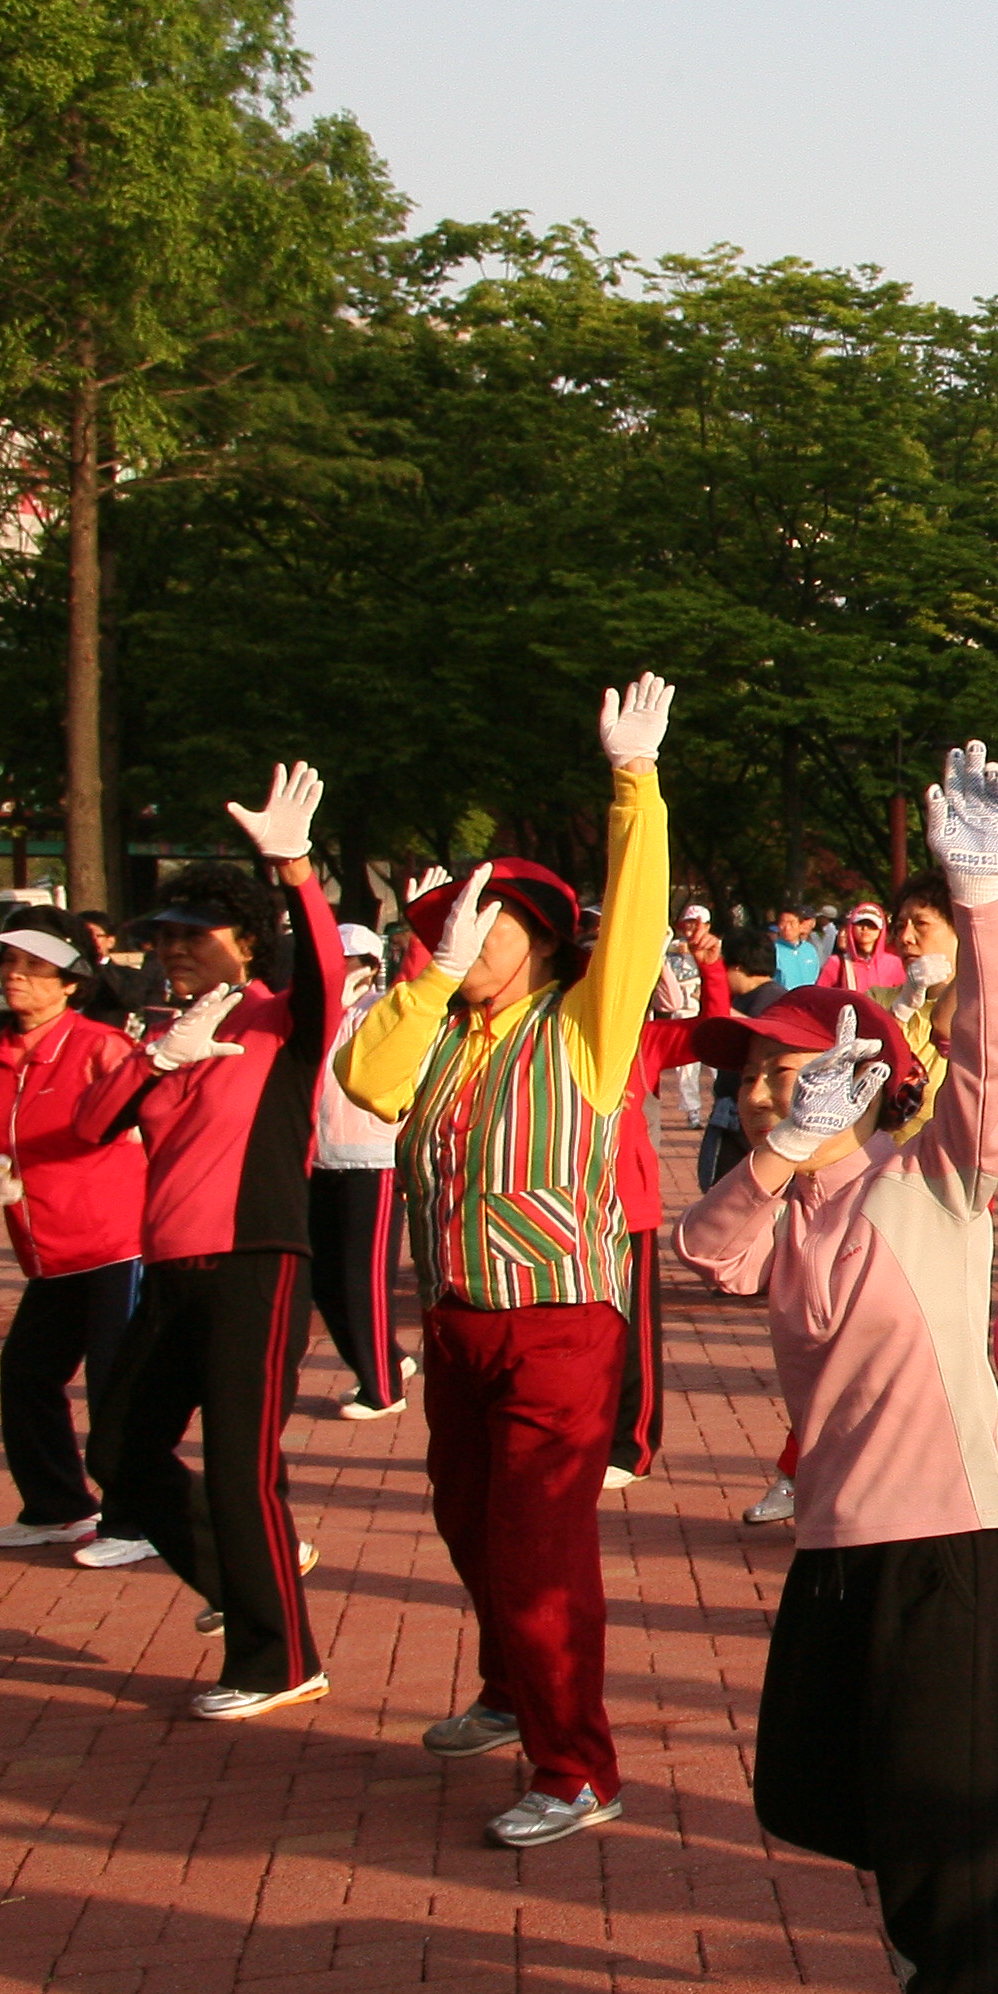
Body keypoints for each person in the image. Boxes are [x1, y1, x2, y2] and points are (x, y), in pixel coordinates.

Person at [678, 748, 998, 1994]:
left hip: (947, 1547)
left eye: (799, 1066)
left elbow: (995, 1062)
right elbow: (699, 1261)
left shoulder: (934, 1181)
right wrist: (773, 1158)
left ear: (868, 1071)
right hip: (835, 1551)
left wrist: (975, 893)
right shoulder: (771, 1209)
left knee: (925, 1834)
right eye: (760, 1070)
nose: (774, 1086)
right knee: (802, 1794)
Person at [336, 675, 678, 1849]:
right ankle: (513, 1689)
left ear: (539, 938)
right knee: (469, 1522)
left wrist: (632, 782)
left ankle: (576, 1766)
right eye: (449, 925)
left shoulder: (582, 1025)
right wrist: (429, 972)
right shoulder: (434, 1034)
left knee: (540, 1551)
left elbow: (634, 921)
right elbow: (363, 1084)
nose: (465, 943)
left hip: (561, 1325)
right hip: (459, 1322)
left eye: (488, 927)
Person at [71, 773, 344, 1712]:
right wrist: (156, 1056)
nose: (175, 950)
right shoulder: (167, 1033)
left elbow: (324, 974)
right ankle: (249, 1586)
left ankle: (279, 1660)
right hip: (173, 1274)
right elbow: (91, 1125)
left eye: (194, 934)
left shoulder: (279, 1022)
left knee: (240, 1466)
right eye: (165, 936)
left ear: (244, 943)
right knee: (119, 1450)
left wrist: (294, 870)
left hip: (256, 1266)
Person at [0, 924, 147, 1551]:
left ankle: (135, 1521)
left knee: (118, 1385)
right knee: (27, 1374)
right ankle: (58, 1505)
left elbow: (144, 1114)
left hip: (117, 1243)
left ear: (69, 984)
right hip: (47, 1253)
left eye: (32, 966)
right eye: (7, 964)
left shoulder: (99, 1045)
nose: (14, 976)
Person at [602, 911, 732, 1490]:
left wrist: (709, 965)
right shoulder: (548, 1040)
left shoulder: (643, 1042)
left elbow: (713, 1029)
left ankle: (633, 1444)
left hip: (627, 1209)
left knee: (634, 1337)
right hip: (561, 1210)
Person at [309, 922, 411, 1420]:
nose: (339, 969)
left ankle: (383, 1388)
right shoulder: (314, 1011)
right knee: (324, 1282)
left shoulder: (381, 1008)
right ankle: (391, 1360)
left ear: (371, 968)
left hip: (373, 1161)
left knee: (361, 1281)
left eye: (350, 961)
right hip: (319, 1159)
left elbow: (412, 1011)